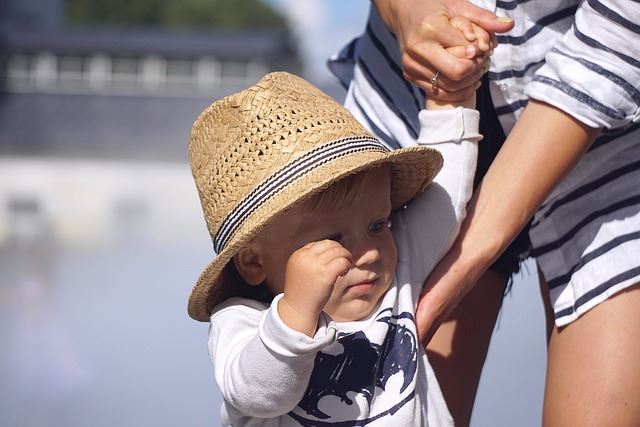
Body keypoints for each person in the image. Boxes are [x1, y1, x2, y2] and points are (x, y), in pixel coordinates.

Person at [330, 1, 640, 425]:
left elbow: (621, 28)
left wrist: (456, 265)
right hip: (410, 103)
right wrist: (403, 10)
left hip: (611, 130)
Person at [186, 68, 484, 425]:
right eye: (332, 239)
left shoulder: (397, 277)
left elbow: (446, 197)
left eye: (378, 225)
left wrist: (451, 99)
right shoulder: (243, 321)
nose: (370, 251)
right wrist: (296, 312)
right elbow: (258, 395)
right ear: (253, 262)